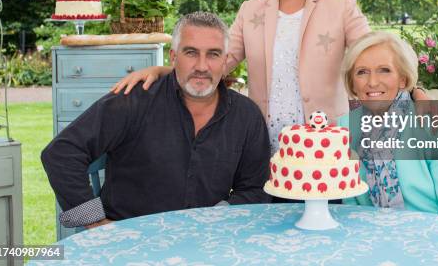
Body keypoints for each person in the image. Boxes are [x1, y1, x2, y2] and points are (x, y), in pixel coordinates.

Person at [111, 0, 428, 155]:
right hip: (267, 148)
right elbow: (219, 63)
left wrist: (416, 91)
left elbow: (375, 54)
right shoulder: (251, 11)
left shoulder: (341, 4)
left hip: (328, 147)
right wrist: (162, 70)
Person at [41, 12, 270, 229]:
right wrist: (96, 223)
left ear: (225, 60)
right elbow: (61, 154)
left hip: (204, 241)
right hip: (128, 241)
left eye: (213, 54)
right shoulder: (133, 101)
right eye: (191, 52)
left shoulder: (246, 116)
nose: (202, 66)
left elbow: (253, 189)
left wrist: (218, 216)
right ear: (173, 57)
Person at [339, 31, 438, 221]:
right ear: (352, 83)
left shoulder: (432, 121)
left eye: (384, 70)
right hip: (371, 235)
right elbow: (351, 205)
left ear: (403, 79)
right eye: (362, 72)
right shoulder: (344, 127)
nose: (372, 82)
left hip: (435, 236)